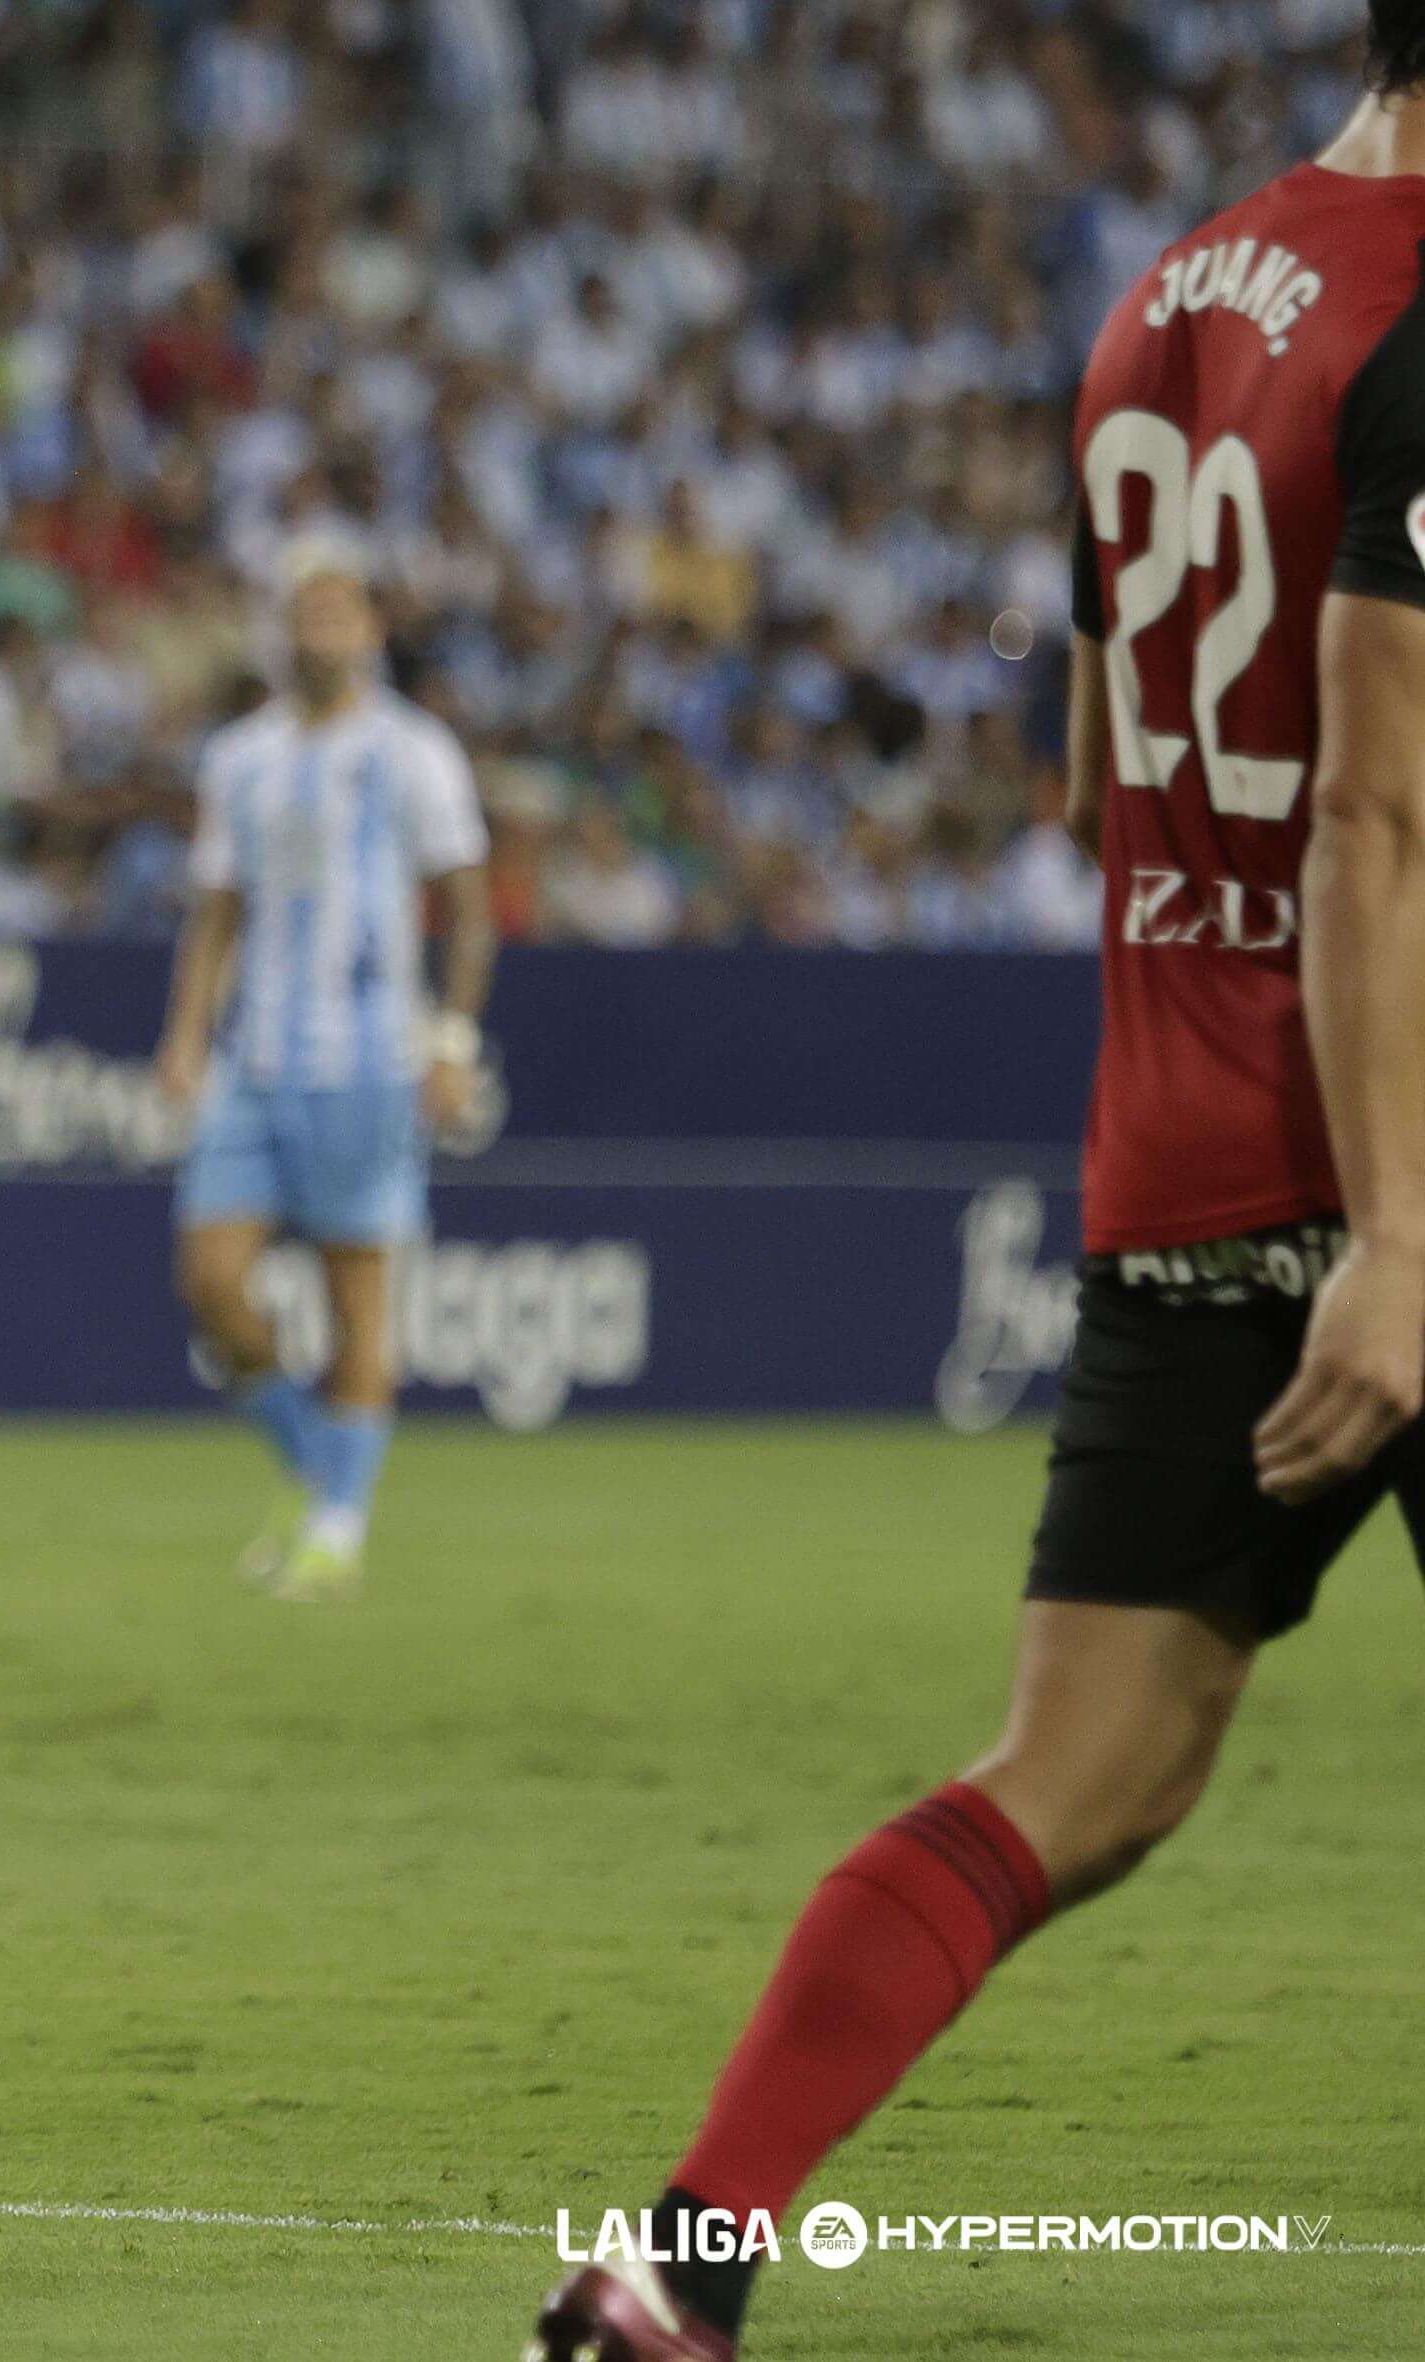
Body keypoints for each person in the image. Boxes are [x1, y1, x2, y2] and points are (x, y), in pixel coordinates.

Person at [537, 18, 1425, 2353]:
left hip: (1184, 1156)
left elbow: (1085, 785)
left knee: (1076, 1777)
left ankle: (681, 2259)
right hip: (1402, 1176)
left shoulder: (1163, 300)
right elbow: (1373, 815)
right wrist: (1403, 1239)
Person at [151, 556, 492, 1603]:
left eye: (341, 610)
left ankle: (335, 1529)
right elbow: (217, 911)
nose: (323, 628)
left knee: (357, 1300)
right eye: (307, 611)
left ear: (372, 628)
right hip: (257, 1059)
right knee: (211, 1280)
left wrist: (451, 1039)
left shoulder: (413, 752)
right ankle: (323, 1475)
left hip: (370, 1062)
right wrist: (184, 1036)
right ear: (283, 630)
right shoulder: (241, 758)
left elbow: (468, 906)